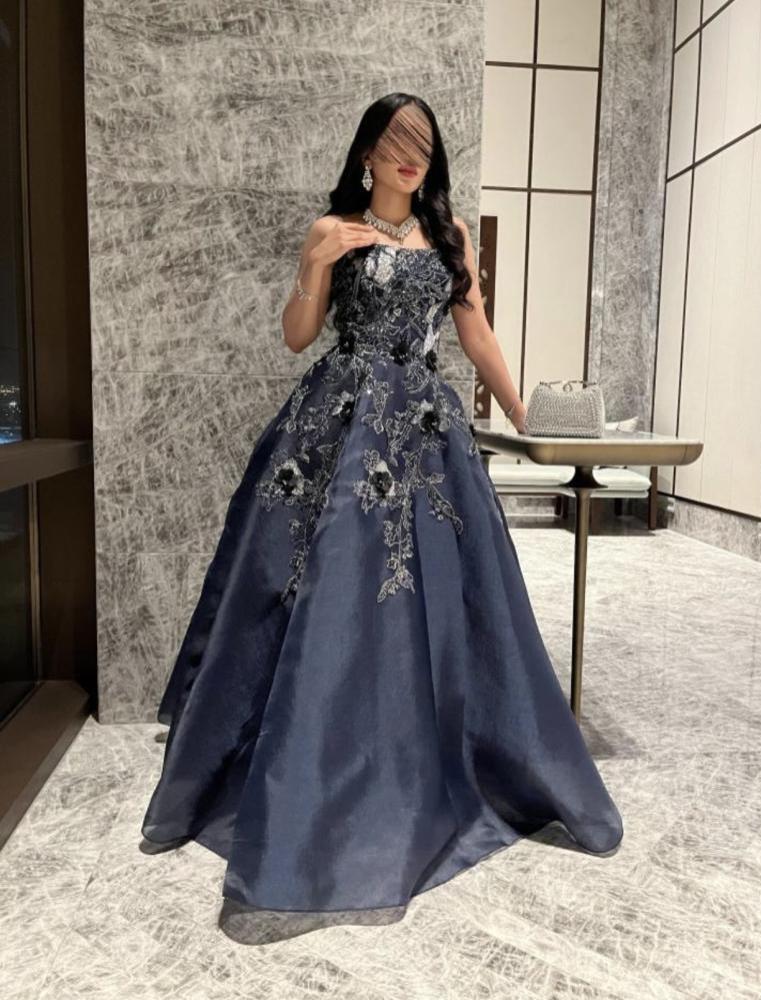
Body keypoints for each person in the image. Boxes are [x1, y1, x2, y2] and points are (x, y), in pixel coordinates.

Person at [140, 93, 623, 945]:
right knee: (321, 587)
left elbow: (477, 336)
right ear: (367, 150)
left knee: (439, 595)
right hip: (336, 422)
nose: (411, 155)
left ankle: (427, 750)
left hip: (426, 432)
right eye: (396, 140)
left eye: (423, 143)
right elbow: (298, 336)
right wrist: (312, 264)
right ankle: (309, 754)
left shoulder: (451, 236)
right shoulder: (334, 229)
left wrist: (525, 415)